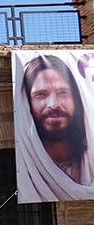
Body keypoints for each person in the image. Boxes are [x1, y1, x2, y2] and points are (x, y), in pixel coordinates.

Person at [16, 53, 94, 202]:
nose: (53, 104)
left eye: (63, 93)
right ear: (28, 105)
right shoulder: (27, 173)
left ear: (76, 99)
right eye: (41, 95)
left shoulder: (89, 163)